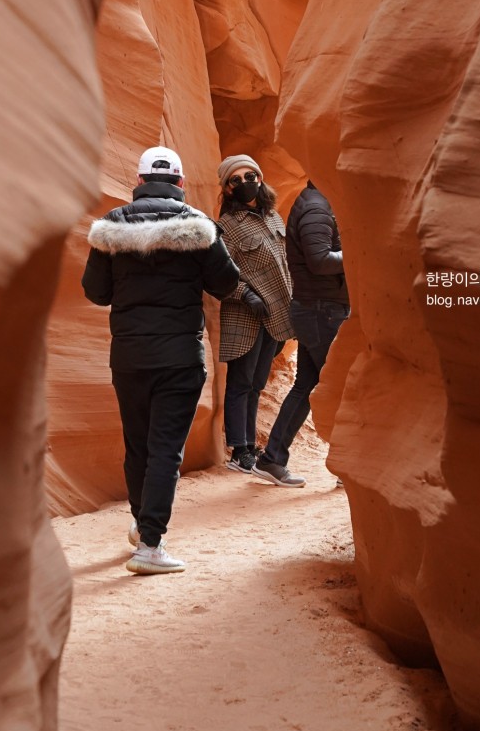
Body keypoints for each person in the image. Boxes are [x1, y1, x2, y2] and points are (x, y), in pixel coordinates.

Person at [82, 145, 240, 574]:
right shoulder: (198, 226)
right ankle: (150, 544)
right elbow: (226, 284)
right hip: (179, 357)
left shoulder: (111, 226)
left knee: (138, 445)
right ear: (181, 184)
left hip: (129, 356)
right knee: (165, 450)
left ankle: (141, 524)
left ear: (138, 182)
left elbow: (96, 293)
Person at [254, 180, 349, 487]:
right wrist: (359, 256)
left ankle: (272, 459)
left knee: (307, 384)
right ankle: (348, 466)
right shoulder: (316, 207)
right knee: (338, 387)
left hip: (318, 309)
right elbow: (320, 260)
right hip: (321, 311)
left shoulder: (318, 202)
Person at [216, 154, 294, 473]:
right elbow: (217, 275)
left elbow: (286, 264)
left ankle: (250, 444)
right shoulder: (225, 227)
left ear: (260, 179)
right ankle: (239, 451)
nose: (246, 183)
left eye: (251, 177)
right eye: (236, 180)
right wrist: (244, 294)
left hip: (274, 316)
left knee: (257, 384)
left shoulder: (275, 218)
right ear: (228, 189)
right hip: (244, 316)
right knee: (241, 383)